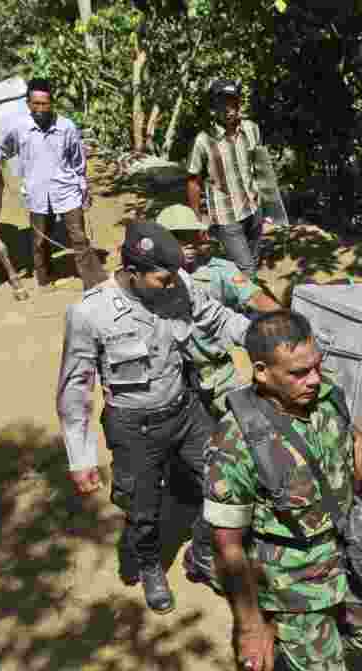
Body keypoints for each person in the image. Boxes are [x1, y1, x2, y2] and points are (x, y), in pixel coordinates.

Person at [56, 220, 251, 614]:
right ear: (132, 274)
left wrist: (265, 337)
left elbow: (217, 317)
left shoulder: (176, 282)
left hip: (186, 411)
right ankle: (149, 565)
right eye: (162, 280)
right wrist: (80, 457)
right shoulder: (90, 313)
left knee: (223, 481)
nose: (173, 286)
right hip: (135, 427)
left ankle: (203, 553)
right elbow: (74, 389)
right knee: (143, 509)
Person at [205, 310, 362, 671]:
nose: (314, 379)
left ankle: (311, 640)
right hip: (290, 577)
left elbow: (353, 438)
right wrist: (249, 625)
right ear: (262, 372)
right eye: (299, 372)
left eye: (317, 365)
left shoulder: (324, 394)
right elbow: (227, 545)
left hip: (347, 548)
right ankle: (297, 641)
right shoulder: (236, 442)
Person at [0, 78, 106, 292]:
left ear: (52, 103)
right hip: (37, 194)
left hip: (67, 191)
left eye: (44, 104)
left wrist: (83, 186)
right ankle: (44, 278)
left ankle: (93, 281)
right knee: (39, 241)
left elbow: (77, 161)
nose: (40, 109)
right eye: (35, 104)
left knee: (78, 237)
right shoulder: (19, 128)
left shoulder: (66, 127)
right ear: (28, 104)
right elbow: (2, 149)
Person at [155, 203, 281, 416]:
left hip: (218, 371)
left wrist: (288, 324)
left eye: (191, 236)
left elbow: (256, 298)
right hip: (172, 376)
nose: (188, 244)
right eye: (178, 237)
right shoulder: (151, 280)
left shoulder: (219, 270)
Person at [186, 79, 267, 277]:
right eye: (223, 103)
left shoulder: (251, 129)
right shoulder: (203, 140)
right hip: (226, 217)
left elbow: (260, 166)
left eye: (233, 102)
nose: (229, 109)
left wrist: (270, 204)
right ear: (214, 107)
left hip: (254, 210)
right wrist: (196, 220)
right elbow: (193, 180)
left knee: (254, 260)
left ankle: (241, 301)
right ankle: (250, 307)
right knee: (246, 269)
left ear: (239, 103)